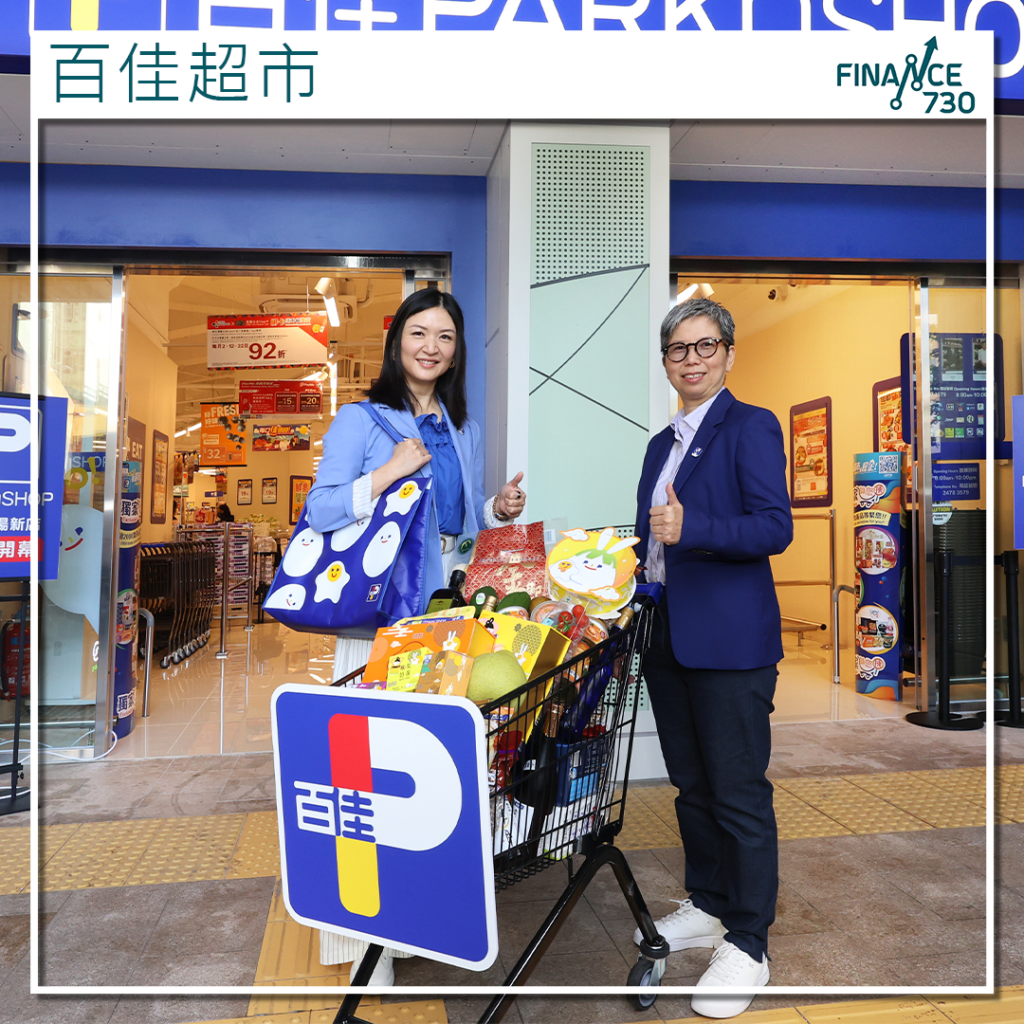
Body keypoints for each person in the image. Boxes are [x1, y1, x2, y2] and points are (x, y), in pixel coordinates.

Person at [303, 287, 526, 985]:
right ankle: (360, 950)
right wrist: (388, 472)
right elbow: (320, 508)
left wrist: (496, 508)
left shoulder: (462, 428)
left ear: (456, 353)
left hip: (444, 620)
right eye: (420, 332)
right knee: (360, 783)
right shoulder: (360, 419)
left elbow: (454, 523)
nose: (432, 346)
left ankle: (411, 922)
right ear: (397, 339)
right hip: (379, 621)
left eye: (445, 337)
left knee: (420, 776)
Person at [632, 297, 792, 1019]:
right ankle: (708, 902)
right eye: (678, 349)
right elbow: (651, 542)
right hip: (667, 637)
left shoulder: (750, 425)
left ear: (728, 353)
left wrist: (692, 526)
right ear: (665, 361)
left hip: (730, 645)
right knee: (691, 786)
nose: (691, 359)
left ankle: (749, 941)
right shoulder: (659, 444)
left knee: (737, 792)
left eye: (705, 346)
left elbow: (774, 527)